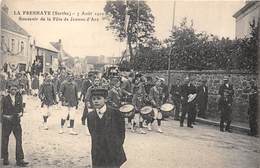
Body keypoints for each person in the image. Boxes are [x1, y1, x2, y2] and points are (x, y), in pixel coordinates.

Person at [87, 88, 126, 168]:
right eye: (94, 99)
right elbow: (92, 132)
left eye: (99, 98)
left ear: (105, 99)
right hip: (98, 152)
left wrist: (117, 146)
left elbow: (121, 132)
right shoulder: (90, 116)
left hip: (113, 151)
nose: (96, 101)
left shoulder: (115, 113)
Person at [1, 84, 29, 167]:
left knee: (19, 140)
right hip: (7, 122)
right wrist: (6, 116)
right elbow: (0, 111)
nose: (14, 91)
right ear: (9, 90)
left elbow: (21, 109)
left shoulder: (19, 97)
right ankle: (5, 158)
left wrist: (21, 113)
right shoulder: (4, 98)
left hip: (16, 122)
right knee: (5, 140)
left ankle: (20, 159)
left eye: (16, 89)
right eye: (12, 89)